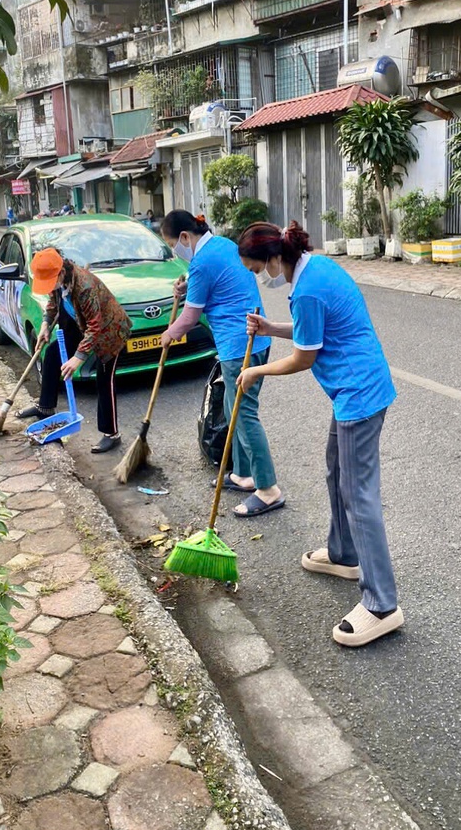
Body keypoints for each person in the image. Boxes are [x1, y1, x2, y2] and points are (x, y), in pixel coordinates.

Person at [235, 220, 403, 648]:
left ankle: (382, 604)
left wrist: (256, 369)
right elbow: (312, 329)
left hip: (358, 395)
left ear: (275, 258)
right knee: (335, 471)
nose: (260, 277)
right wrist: (272, 328)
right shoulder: (313, 270)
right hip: (354, 391)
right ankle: (344, 554)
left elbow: (305, 357)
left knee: (358, 493)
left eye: (258, 269)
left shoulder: (307, 287)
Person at [160, 211, 284, 517]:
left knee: (244, 414)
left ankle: (268, 489)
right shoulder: (224, 246)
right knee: (233, 409)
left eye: (173, 244)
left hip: (240, 347)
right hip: (252, 341)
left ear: (186, 237)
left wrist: (168, 334)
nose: (175, 250)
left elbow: (189, 318)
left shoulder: (201, 262)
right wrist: (185, 289)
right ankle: (244, 474)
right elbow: (214, 286)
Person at [17, 248, 132, 454]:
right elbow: (53, 303)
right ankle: (45, 407)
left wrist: (78, 358)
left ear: (61, 272)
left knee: (104, 380)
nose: (50, 286)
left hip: (109, 331)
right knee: (52, 354)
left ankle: (111, 433)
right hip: (80, 324)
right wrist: (45, 325)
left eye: (51, 281)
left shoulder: (84, 287)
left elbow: (95, 327)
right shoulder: (58, 280)